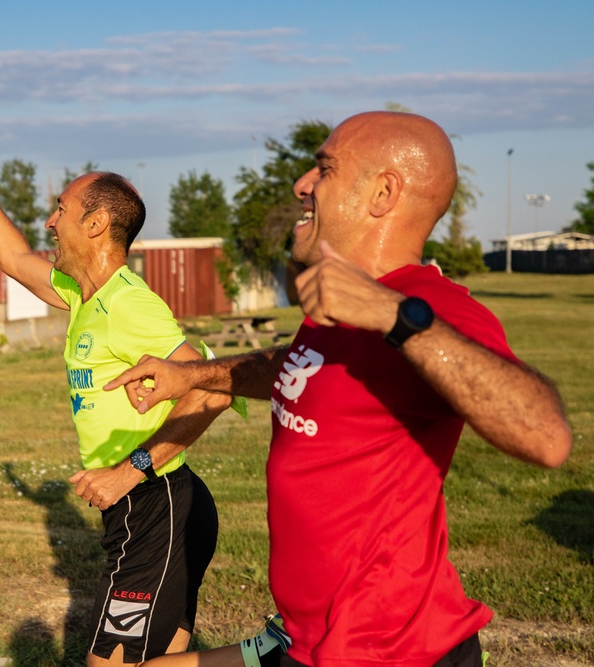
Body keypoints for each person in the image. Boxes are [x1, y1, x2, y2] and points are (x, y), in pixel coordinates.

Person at [104, 111, 572, 667]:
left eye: (324, 168)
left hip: (393, 652)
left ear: (383, 193)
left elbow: (546, 435)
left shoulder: (428, 308)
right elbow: (295, 368)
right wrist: (192, 375)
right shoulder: (339, 304)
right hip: (308, 640)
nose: (303, 183)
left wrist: (393, 314)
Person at [0, 101, 235, 667]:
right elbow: (8, 255)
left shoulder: (131, 307)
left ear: (96, 224)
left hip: (152, 502)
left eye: (61, 210)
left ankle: (270, 656)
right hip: (161, 501)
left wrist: (129, 472)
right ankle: (266, 654)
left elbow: (213, 390)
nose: (51, 221)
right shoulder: (83, 295)